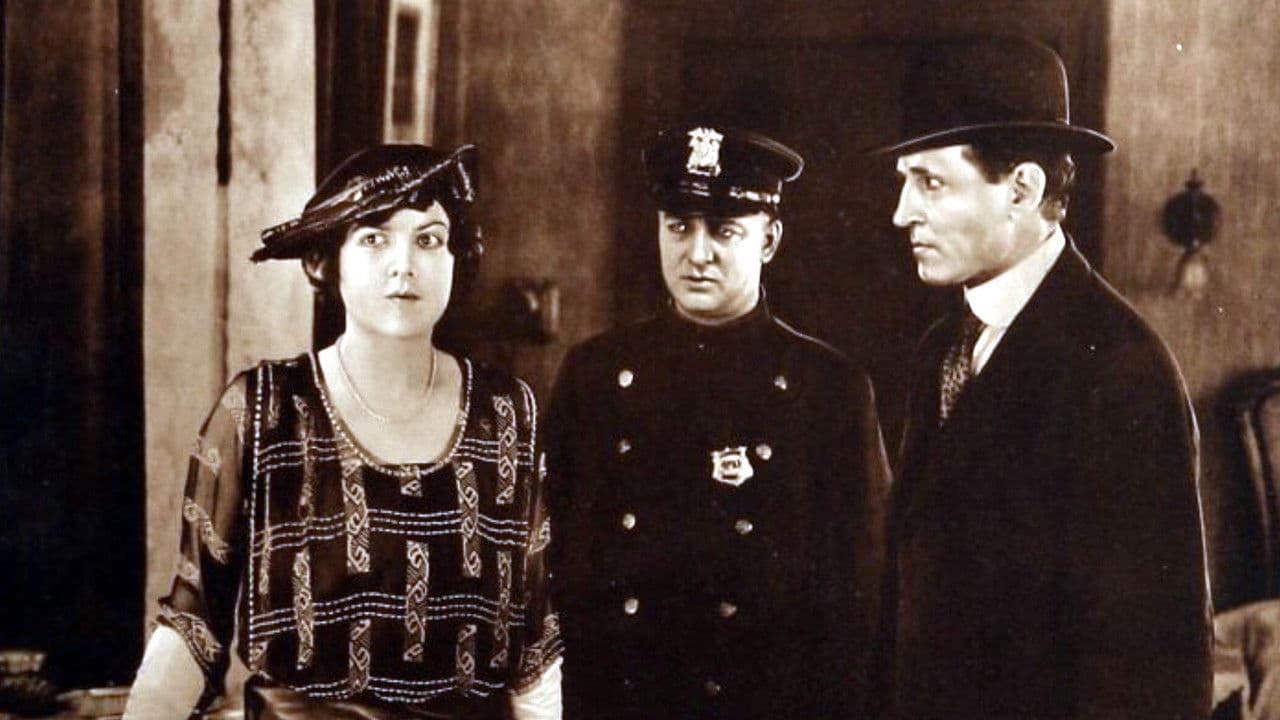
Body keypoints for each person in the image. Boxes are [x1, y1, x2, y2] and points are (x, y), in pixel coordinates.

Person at [123, 144, 563, 720]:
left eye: (429, 240)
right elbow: (193, 623)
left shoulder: (506, 412)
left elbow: (535, 649)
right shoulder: (263, 410)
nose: (404, 265)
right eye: (374, 239)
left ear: (457, 258)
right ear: (324, 262)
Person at [872, 36, 1212, 719]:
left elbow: (1154, 672)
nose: (902, 212)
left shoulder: (1123, 371)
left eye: (930, 182)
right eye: (905, 181)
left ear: (1022, 189)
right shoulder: (941, 349)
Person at [544, 123, 891, 719]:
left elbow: (862, 601)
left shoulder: (828, 390)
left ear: (769, 240)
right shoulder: (594, 375)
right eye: (679, 227)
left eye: (724, 231)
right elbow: (551, 569)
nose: (697, 253)